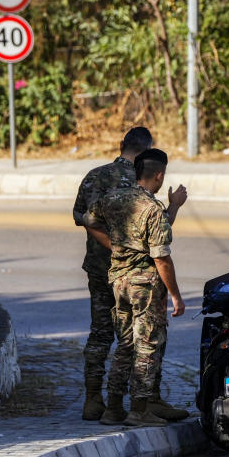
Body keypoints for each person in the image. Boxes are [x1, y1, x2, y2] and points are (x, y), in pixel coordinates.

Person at [72, 128, 187, 421]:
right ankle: (145, 402)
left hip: (103, 271)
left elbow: (81, 218)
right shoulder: (143, 189)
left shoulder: (95, 176)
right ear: (149, 153)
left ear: (122, 144)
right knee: (148, 338)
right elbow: (157, 241)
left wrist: (113, 245)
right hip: (139, 274)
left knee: (104, 335)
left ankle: (96, 400)